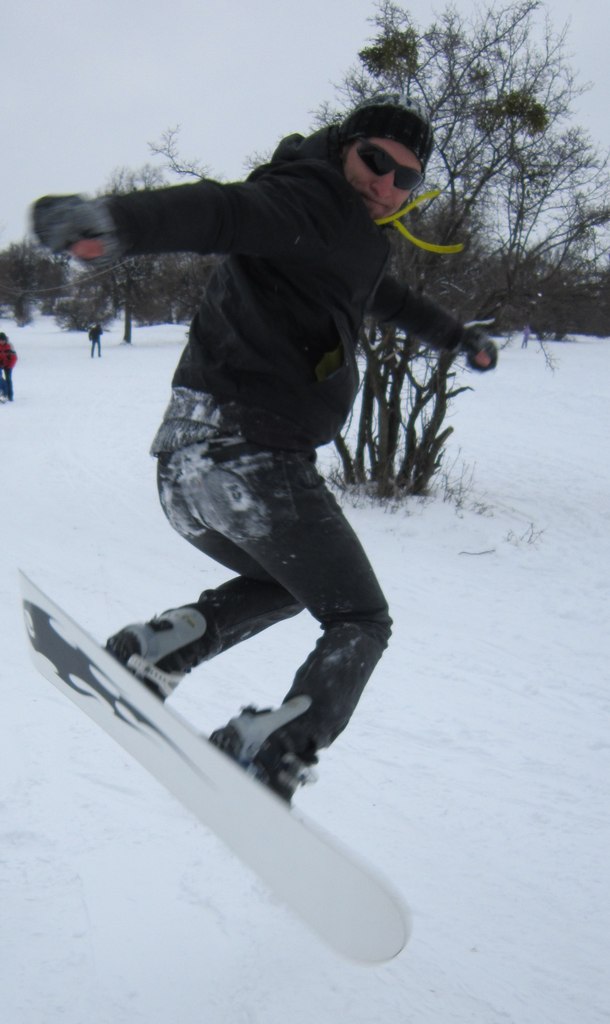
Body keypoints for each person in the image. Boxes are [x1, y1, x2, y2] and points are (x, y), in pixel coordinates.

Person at [31, 93, 498, 802]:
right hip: (249, 459)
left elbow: (388, 298)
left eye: (404, 179)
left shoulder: (343, 238)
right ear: (347, 145)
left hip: (189, 467)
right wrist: (113, 223)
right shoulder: (308, 200)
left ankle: (163, 646)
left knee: (286, 584)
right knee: (360, 618)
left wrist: (457, 338)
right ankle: (275, 748)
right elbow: (222, 213)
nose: (383, 185)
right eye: (375, 162)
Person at [0, 332, 17, 402]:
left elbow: (14, 358)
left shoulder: (10, 346)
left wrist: (9, 366)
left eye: (2, 340)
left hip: (8, 365)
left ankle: (10, 395)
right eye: (0, 340)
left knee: (8, 379)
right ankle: (4, 392)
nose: (1, 342)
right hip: (0, 364)